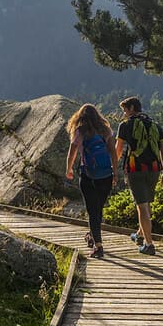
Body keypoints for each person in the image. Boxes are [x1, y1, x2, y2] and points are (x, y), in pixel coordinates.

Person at [115, 96, 163, 255]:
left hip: (135, 169)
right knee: (146, 203)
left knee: (142, 206)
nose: (124, 114)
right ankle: (139, 234)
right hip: (154, 169)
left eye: (125, 110)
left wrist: (112, 168)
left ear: (132, 108)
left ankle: (149, 244)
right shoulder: (155, 125)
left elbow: (118, 150)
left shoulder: (125, 126)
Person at [64, 103, 118, 259]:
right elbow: (113, 153)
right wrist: (115, 173)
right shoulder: (106, 130)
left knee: (92, 210)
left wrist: (69, 169)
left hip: (88, 175)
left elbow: (72, 152)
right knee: (98, 209)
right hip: (106, 175)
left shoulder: (80, 131)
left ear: (80, 117)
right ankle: (92, 235)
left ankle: (98, 245)